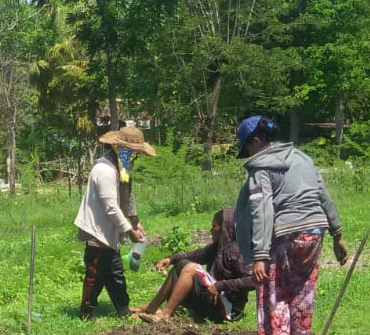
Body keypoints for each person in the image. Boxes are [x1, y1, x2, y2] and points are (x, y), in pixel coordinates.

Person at [234, 115, 349, 335]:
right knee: (301, 295)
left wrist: (260, 255)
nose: (249, 155)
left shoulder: (261, 167)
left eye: (248, 148)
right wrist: (337, 234)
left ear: (256, 140)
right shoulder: (303, 158)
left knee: (272, 294)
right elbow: (323, 195)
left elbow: (262, 210)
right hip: (314, 234)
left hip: (284, 236)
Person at [75, 125, 155, 319]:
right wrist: (130, 231)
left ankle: (123, 309)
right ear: (122, 150)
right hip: (97, 231)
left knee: (115, 273)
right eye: (134, 153)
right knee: (95, 275)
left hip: (109, 230)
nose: (136, 157)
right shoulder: (104, 170)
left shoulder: (122, 169)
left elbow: (127, 195)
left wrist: (135, 219)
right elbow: (111, 206)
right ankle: (86, 312)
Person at [137, 208, 256, 323]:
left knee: (191, 268)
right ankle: (152, 307)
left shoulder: (238, 250)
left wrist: (221, 286)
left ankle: (165, 315)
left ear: (224, 229)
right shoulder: (218, 247)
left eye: (214, 226)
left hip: (228, 310)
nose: (211, 230)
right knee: (182, 263)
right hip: (214, 301)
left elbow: (252, 280)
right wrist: (171, 259)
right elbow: (196, 255)